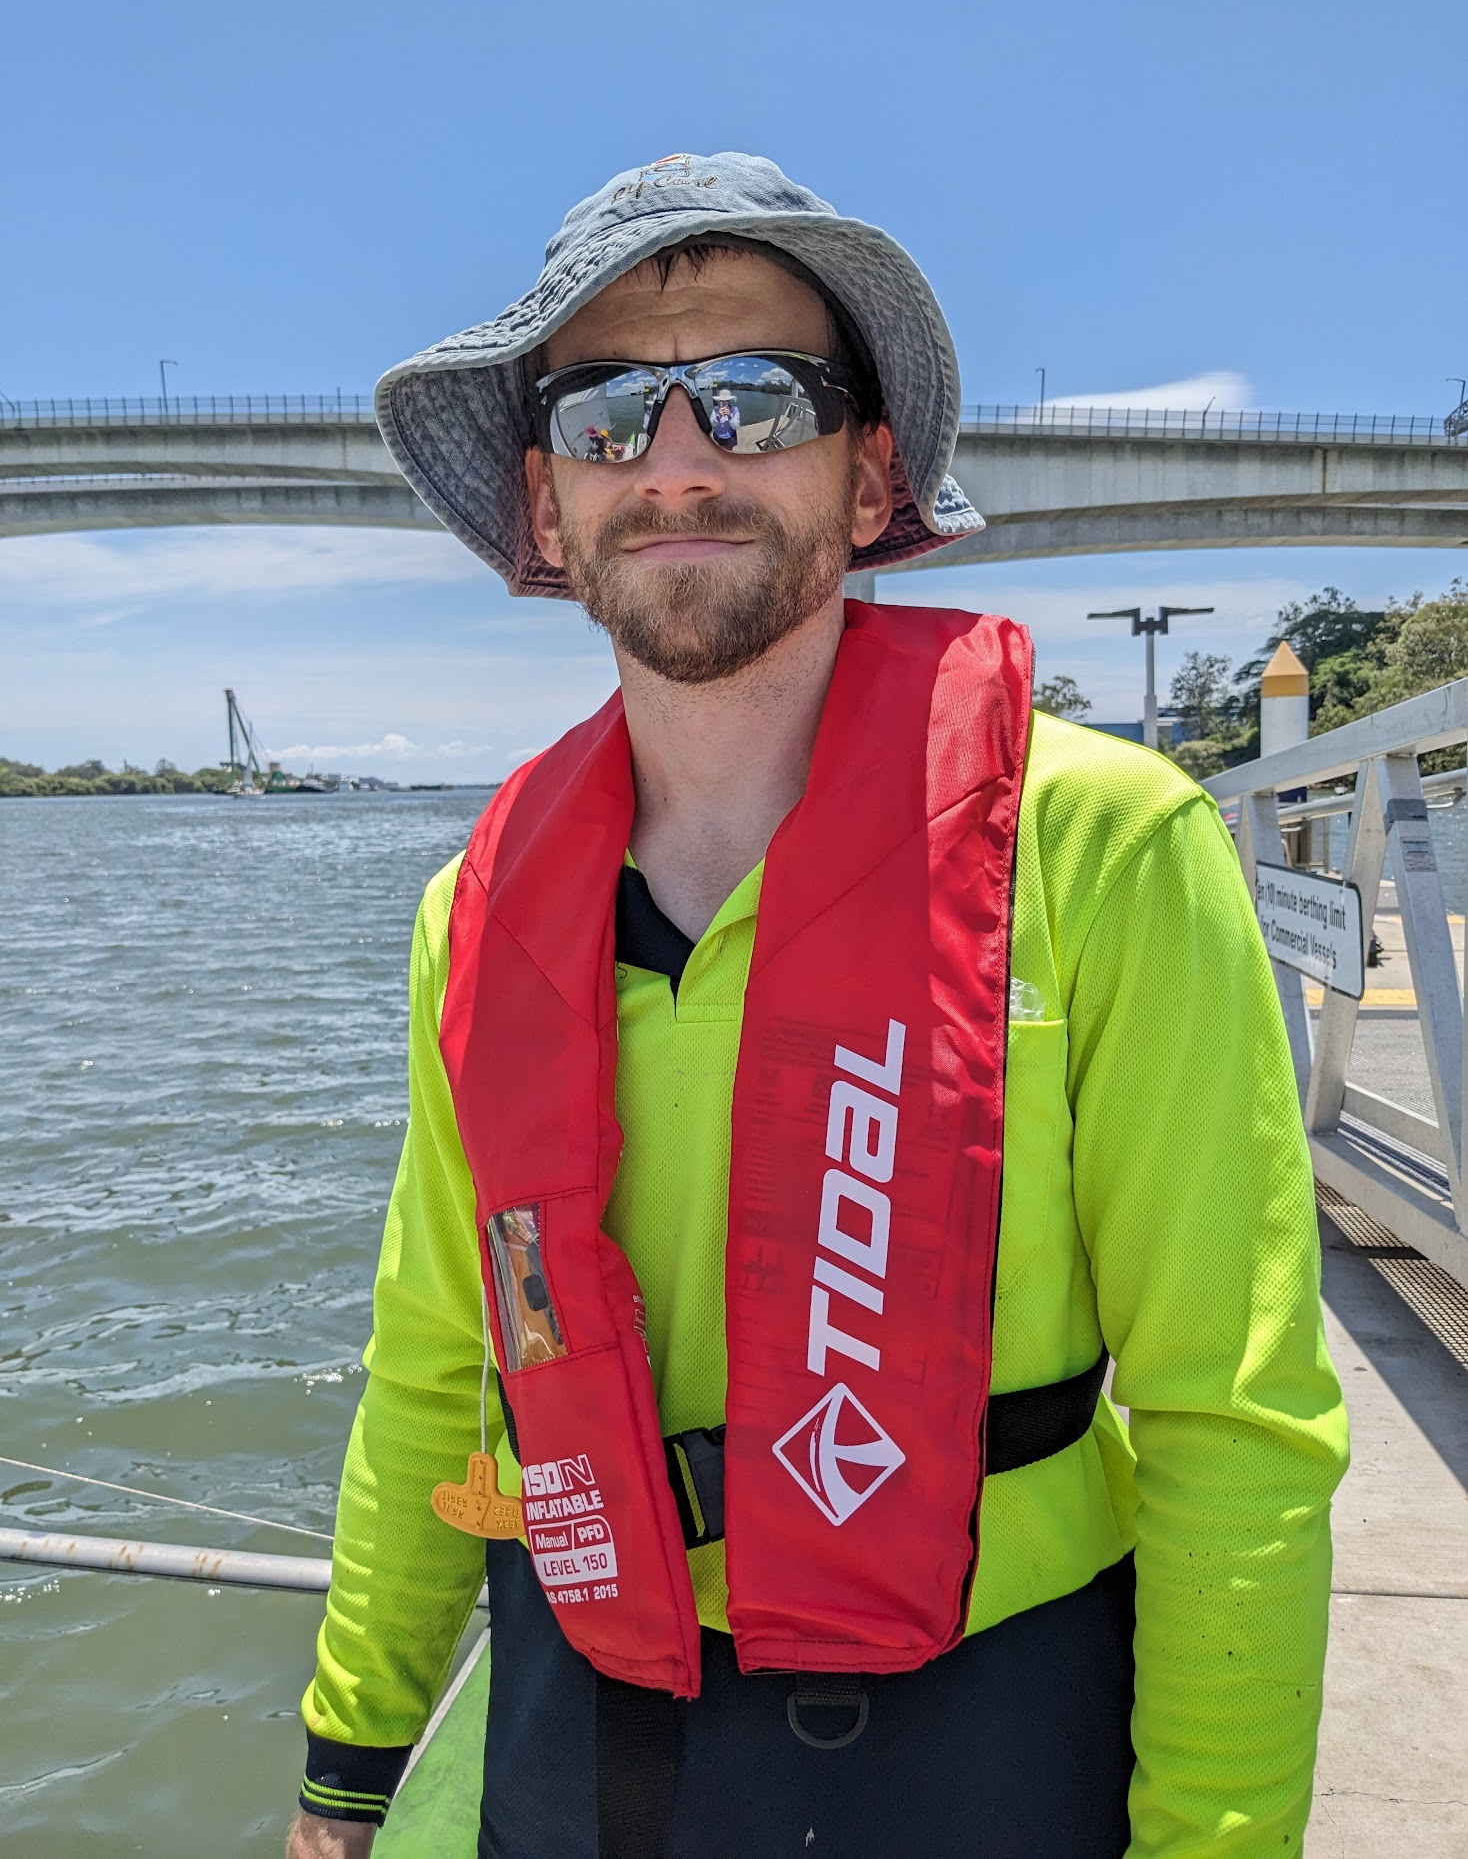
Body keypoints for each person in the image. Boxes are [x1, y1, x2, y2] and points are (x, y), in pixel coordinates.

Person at [285, 152, 1347, 1859]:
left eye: (757, 397)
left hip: (989, 1732)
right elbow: (432, 1368)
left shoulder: (1103, 849)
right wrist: (347, 1771)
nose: (681, 460)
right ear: (545, 508)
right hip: (581, 1719)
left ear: (868, 479)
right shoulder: (473, 918)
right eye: (610, 412)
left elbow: (1238, 1422)